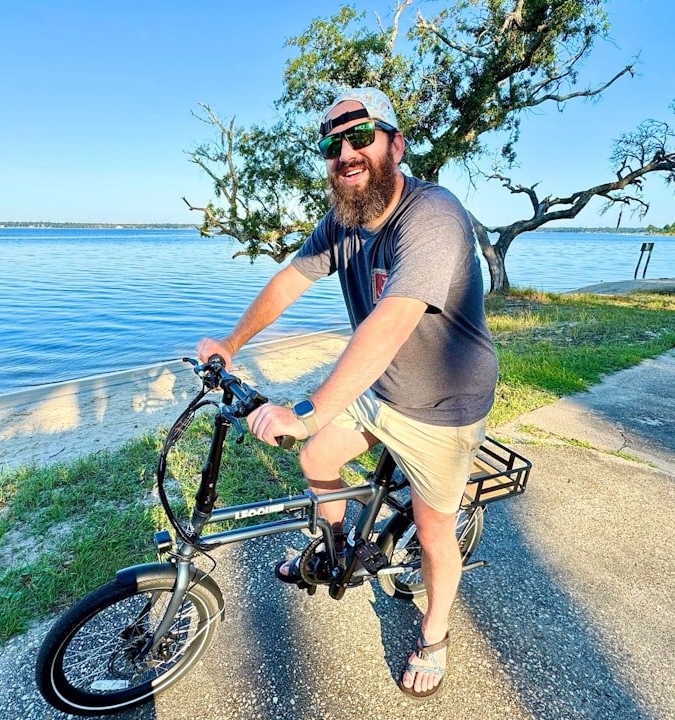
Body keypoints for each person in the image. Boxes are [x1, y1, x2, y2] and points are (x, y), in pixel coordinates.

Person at [196, 87, 497, 699]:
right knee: (315, 457)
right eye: (333, 144)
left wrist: (307, 410)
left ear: (395, 144)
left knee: (435, 534)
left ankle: (435, 635)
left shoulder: (433, 215)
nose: (346, 153)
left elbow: (391, 322)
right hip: (380, 388)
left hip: (443, 407)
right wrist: (231, 343)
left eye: (361, 137)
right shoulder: (344, 219)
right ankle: (335, 555)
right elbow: (289, 281)